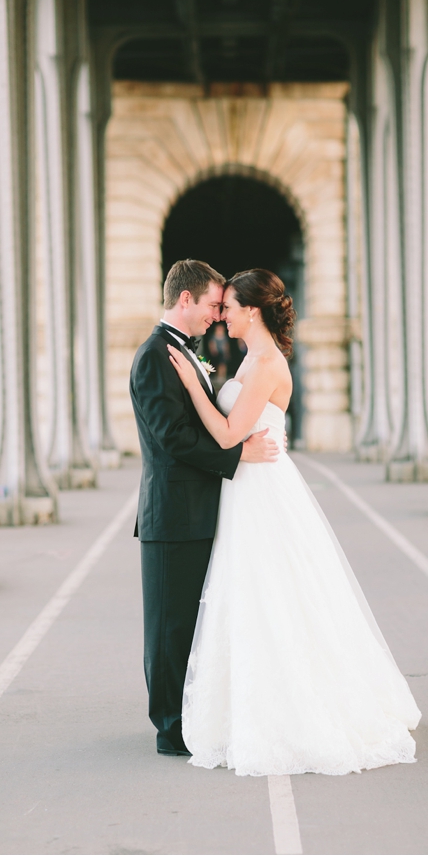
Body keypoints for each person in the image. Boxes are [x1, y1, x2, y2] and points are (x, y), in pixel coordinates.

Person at [167, 268, 421, 776]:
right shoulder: (251, 359)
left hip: (263, 492)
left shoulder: (264, 363)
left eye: (231, 307)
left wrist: (193, 387)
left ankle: (290, 711)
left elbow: (227, 435)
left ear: (252, 311)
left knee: (274, 595)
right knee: (257, 596)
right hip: (249, 486)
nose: (223, 315)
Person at [129, 260, 280, 757]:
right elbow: (171, 437)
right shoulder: (155, 355)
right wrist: (236, 454)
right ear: (186, 300)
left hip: (198, 510)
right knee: (170, 626)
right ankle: (170, 730)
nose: (218, 315)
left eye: (226, 307)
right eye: (214, 304)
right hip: (172, 513)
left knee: (193, 624)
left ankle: (190, 719)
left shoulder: (184, 354)